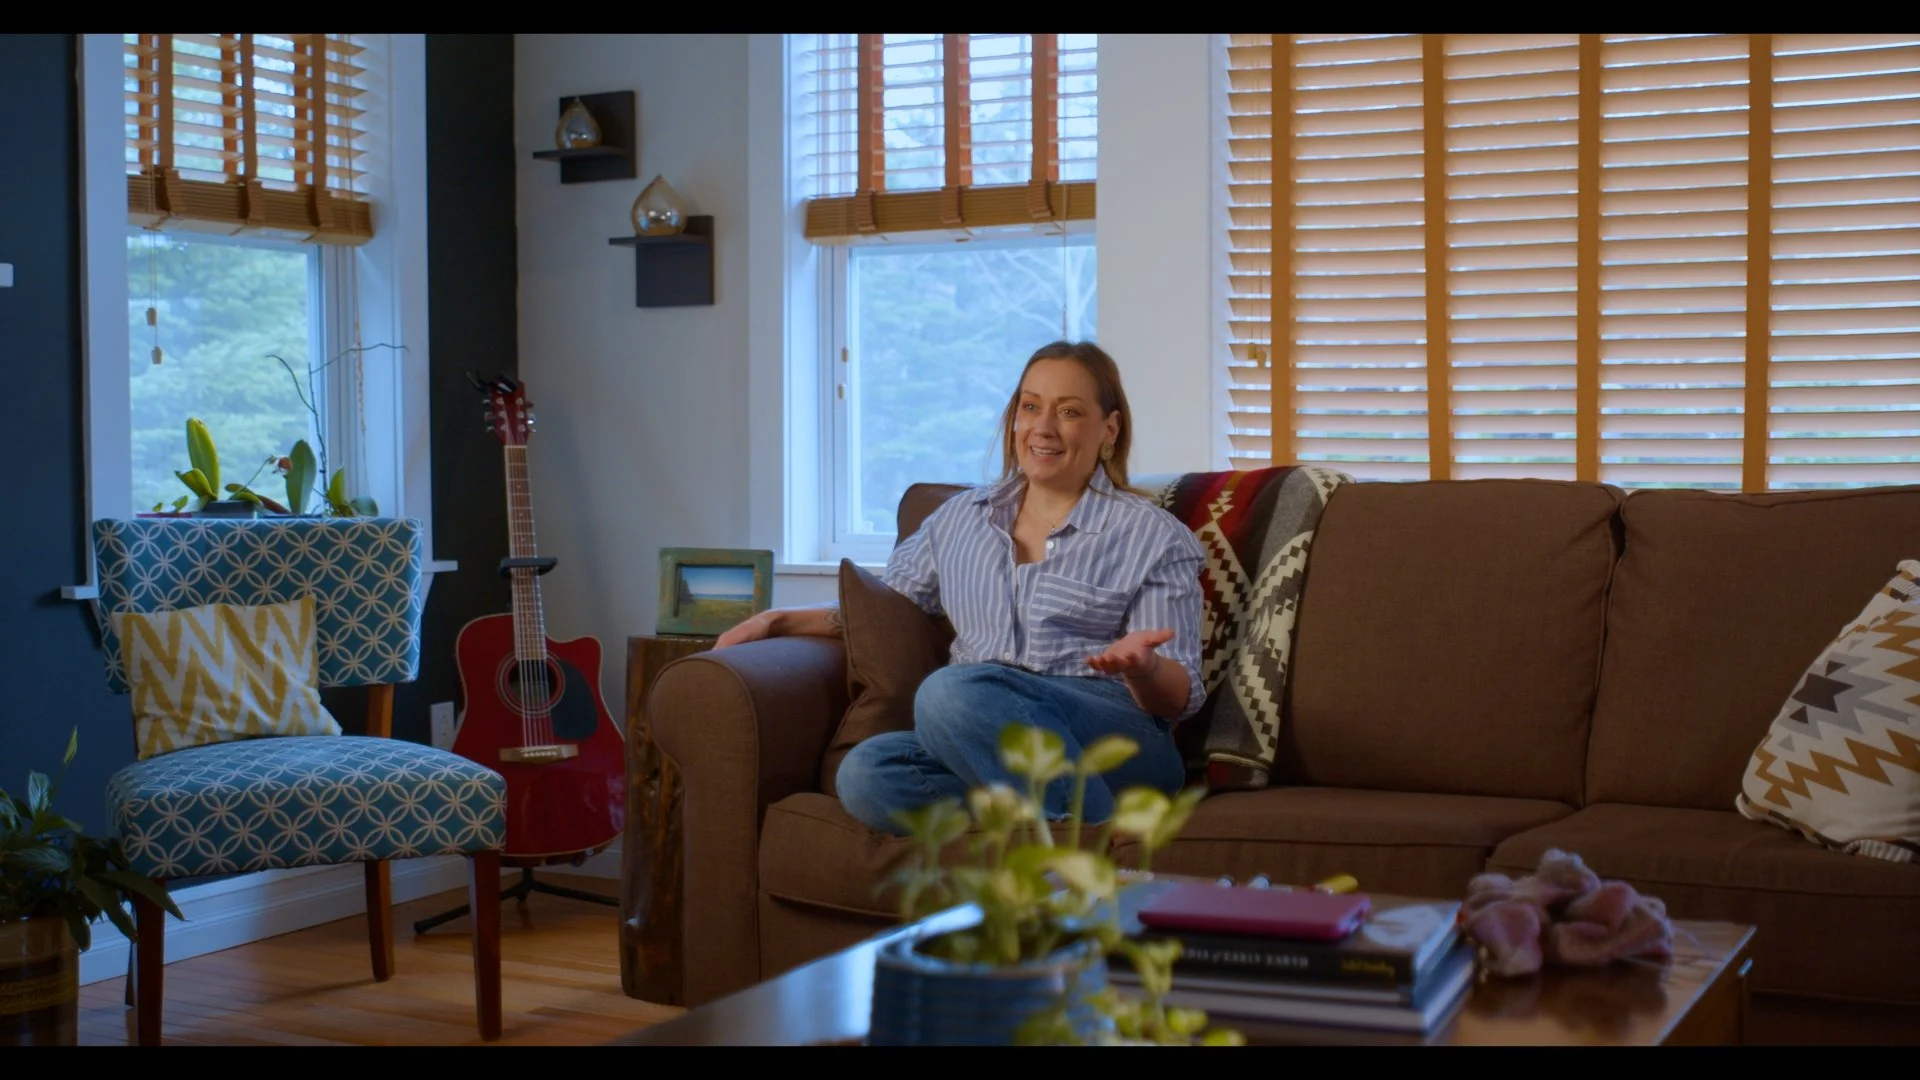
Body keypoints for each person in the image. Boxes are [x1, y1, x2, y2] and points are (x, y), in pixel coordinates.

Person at [713, 340, 1206, 835]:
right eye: (1030, 407)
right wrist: (777, 619)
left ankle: (1074, 854)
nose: (1043, 427)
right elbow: (886, 609)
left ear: (1109, 429)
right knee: (867, 772)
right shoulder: (960, 520)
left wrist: (1144, 669)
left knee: (949, 693)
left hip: (1114, 736)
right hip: (981, 728)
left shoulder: (1153, 535)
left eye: (1069, 412)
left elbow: (1176, 698)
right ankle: (1071, 823)